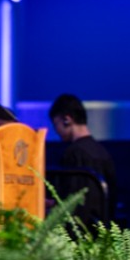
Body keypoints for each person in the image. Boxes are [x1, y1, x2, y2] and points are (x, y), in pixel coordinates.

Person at [49, 93, 117, 229]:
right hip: (101, 234)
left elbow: (72, 204)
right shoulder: (103, 152)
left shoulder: (74, 153)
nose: (56, 131)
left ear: (66, 120)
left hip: (79, 234)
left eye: (55, 124)